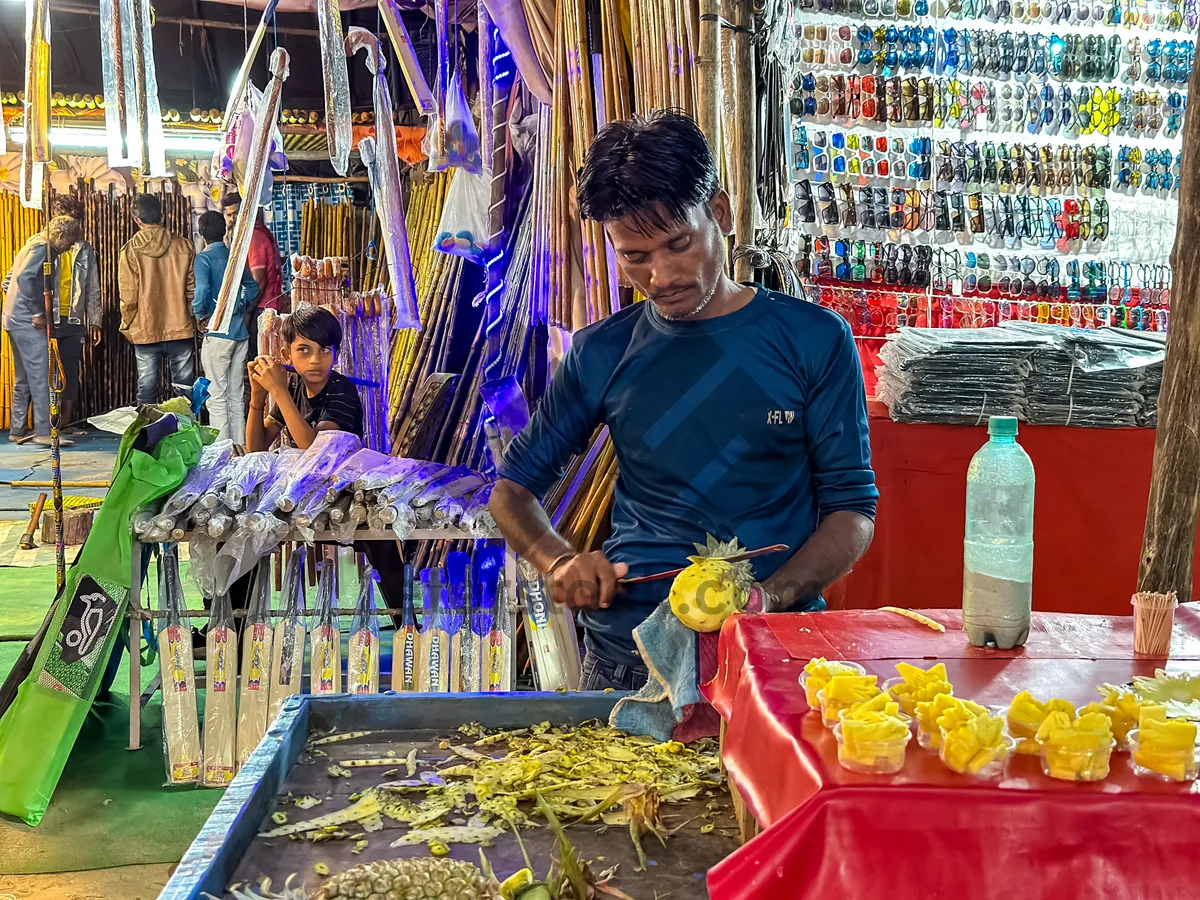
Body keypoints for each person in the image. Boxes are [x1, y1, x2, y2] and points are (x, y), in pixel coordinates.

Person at [489, 111, 879, 691]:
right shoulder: (602, 351)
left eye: (679, 244)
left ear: (719, 213)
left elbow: (852, 513)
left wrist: (767, 598)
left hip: (771, 657)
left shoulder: (813, 339)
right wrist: (560, 560)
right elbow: (512, 492)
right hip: (629, 659)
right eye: (634, 257)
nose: (663, 275)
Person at [242, 305, 406, 614]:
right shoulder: (292, 388)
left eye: (325, 350)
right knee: (246, 526)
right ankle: (229, 627)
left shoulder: (341, 391)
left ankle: (405, 622)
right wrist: (259, 397)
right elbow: (256, 452)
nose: (316, 360)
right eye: (304, 350)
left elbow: (317, 450)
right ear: (286, 354)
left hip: (344, 495)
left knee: (379, 541)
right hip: (301, 495)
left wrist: (278, 392)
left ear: (335, 353)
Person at [2, 216, 82, 446]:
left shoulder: (31, 243)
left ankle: (17, 429)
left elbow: (9, 281)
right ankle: (44, 432)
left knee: (23, 377)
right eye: (70, 242)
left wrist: (15, 307)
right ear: (60, 235)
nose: (69, 248)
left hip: (13, 318)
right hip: (27, 320)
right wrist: (37, 311)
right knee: (41, 376)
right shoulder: (43, 249)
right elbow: (25, 279)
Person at [118, 194, 196, 405]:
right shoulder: (185, 246)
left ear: (137, 220)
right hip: (180, 327)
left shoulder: (130, 251)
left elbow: (128, 295)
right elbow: (192, 290)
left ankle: (148, 435)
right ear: (162, 216)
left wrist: (127, 323)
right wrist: (191, 316)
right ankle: (184, 435)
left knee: (147, 391)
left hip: (145, 329)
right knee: (184, 391)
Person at [192, 210, 259, 443]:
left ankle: (223, 453)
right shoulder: (235, 257)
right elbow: (252, 287)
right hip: (239, 333)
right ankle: (240, 447)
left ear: (201, 233)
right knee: (236, 394)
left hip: (218, 332)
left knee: (217, 396)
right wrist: (241, 305)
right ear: (224, 231)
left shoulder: (203, 259)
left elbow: (201, 292)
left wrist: (200, 314)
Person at [50, 196, 103, 430]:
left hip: (73, 318)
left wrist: (95, 321)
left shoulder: (85, 249)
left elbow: (93, 287)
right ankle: (47, 425)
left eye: (76, 223)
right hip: (47, 318)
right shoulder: (41, 245)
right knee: (46, 371)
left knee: (71, 371)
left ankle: (66, 422)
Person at [220, 191, 284, 359]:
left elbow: (259, 280)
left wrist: (247, 313)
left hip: (262, 307)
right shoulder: (257, 231)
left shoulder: (254, 236)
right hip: (265, 305)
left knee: (260, 360)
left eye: (236, 213)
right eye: (229, 215)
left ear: (246, 211)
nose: (233, 219)